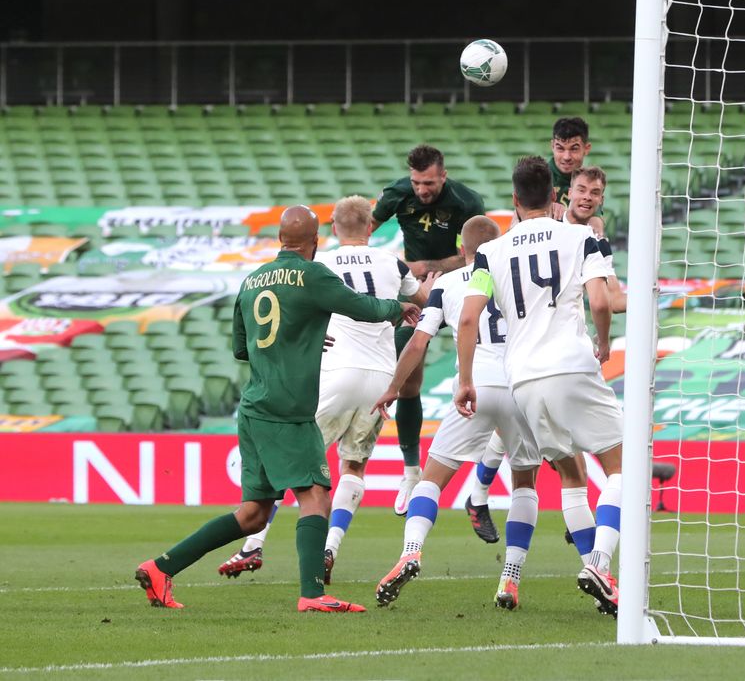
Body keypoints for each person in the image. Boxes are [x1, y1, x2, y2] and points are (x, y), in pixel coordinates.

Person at [134, 205, 417, 613]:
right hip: (288, 411)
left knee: (253, 514)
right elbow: (359, 306)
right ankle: (313, 594)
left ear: (280, 239)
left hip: (254, 408)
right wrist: (397, 309)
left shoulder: (251, 281)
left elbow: (241, 349)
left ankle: (161, 568)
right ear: (316, 241)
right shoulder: (313, 274)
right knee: (317, 496)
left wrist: (294, 339)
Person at [217, 196, 431, 583]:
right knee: (354, 465)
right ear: (371, 227)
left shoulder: (316, 266)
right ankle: (330, 547)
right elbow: (422, 300)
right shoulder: (392, 263)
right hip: (380, 377)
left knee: (290, 464)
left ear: (333, 229)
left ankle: (253, 544)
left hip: (334, 374)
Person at [455, 156, 623, 617]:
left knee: (571, 477)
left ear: (514, 201)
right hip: (571, 365)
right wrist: (603, 343)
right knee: (623, 472)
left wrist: (466, 379)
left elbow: (469, 317)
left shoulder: (491, 251)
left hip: (522, 380)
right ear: (555, 196)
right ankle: (601, 564)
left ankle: (598, 573)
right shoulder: (580, 236)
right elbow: (601, 300)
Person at [372, 216, 543, 611]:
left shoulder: (448, 284)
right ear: (496, 246)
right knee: (524, 484)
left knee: (431, 480)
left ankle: (411, 551)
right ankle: (510, 577)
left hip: (474, 387)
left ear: (462, 250)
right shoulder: (520, 276)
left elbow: (417, 343)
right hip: (519, 387)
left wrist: (394, 389)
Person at [371, 144, 486, 515]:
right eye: (418, 183)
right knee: (408, 380)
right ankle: (410, 470)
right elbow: (363, 231)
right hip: (415, 293)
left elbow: (478, 252)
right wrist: (400, 270)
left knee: (489, 363)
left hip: (458, 287)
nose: (422, 190)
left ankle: (490, 471)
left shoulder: (467, 201)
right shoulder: (396, 194)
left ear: (444, 176)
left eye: (430, 183)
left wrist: (427, 264)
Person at [549, 117, 592, 208]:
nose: (566, 157)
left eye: (574, 149)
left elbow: (596, 220)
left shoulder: (591, 183)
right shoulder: (536, 179)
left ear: (586, 148)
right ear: (552, 146)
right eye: (560, 148)